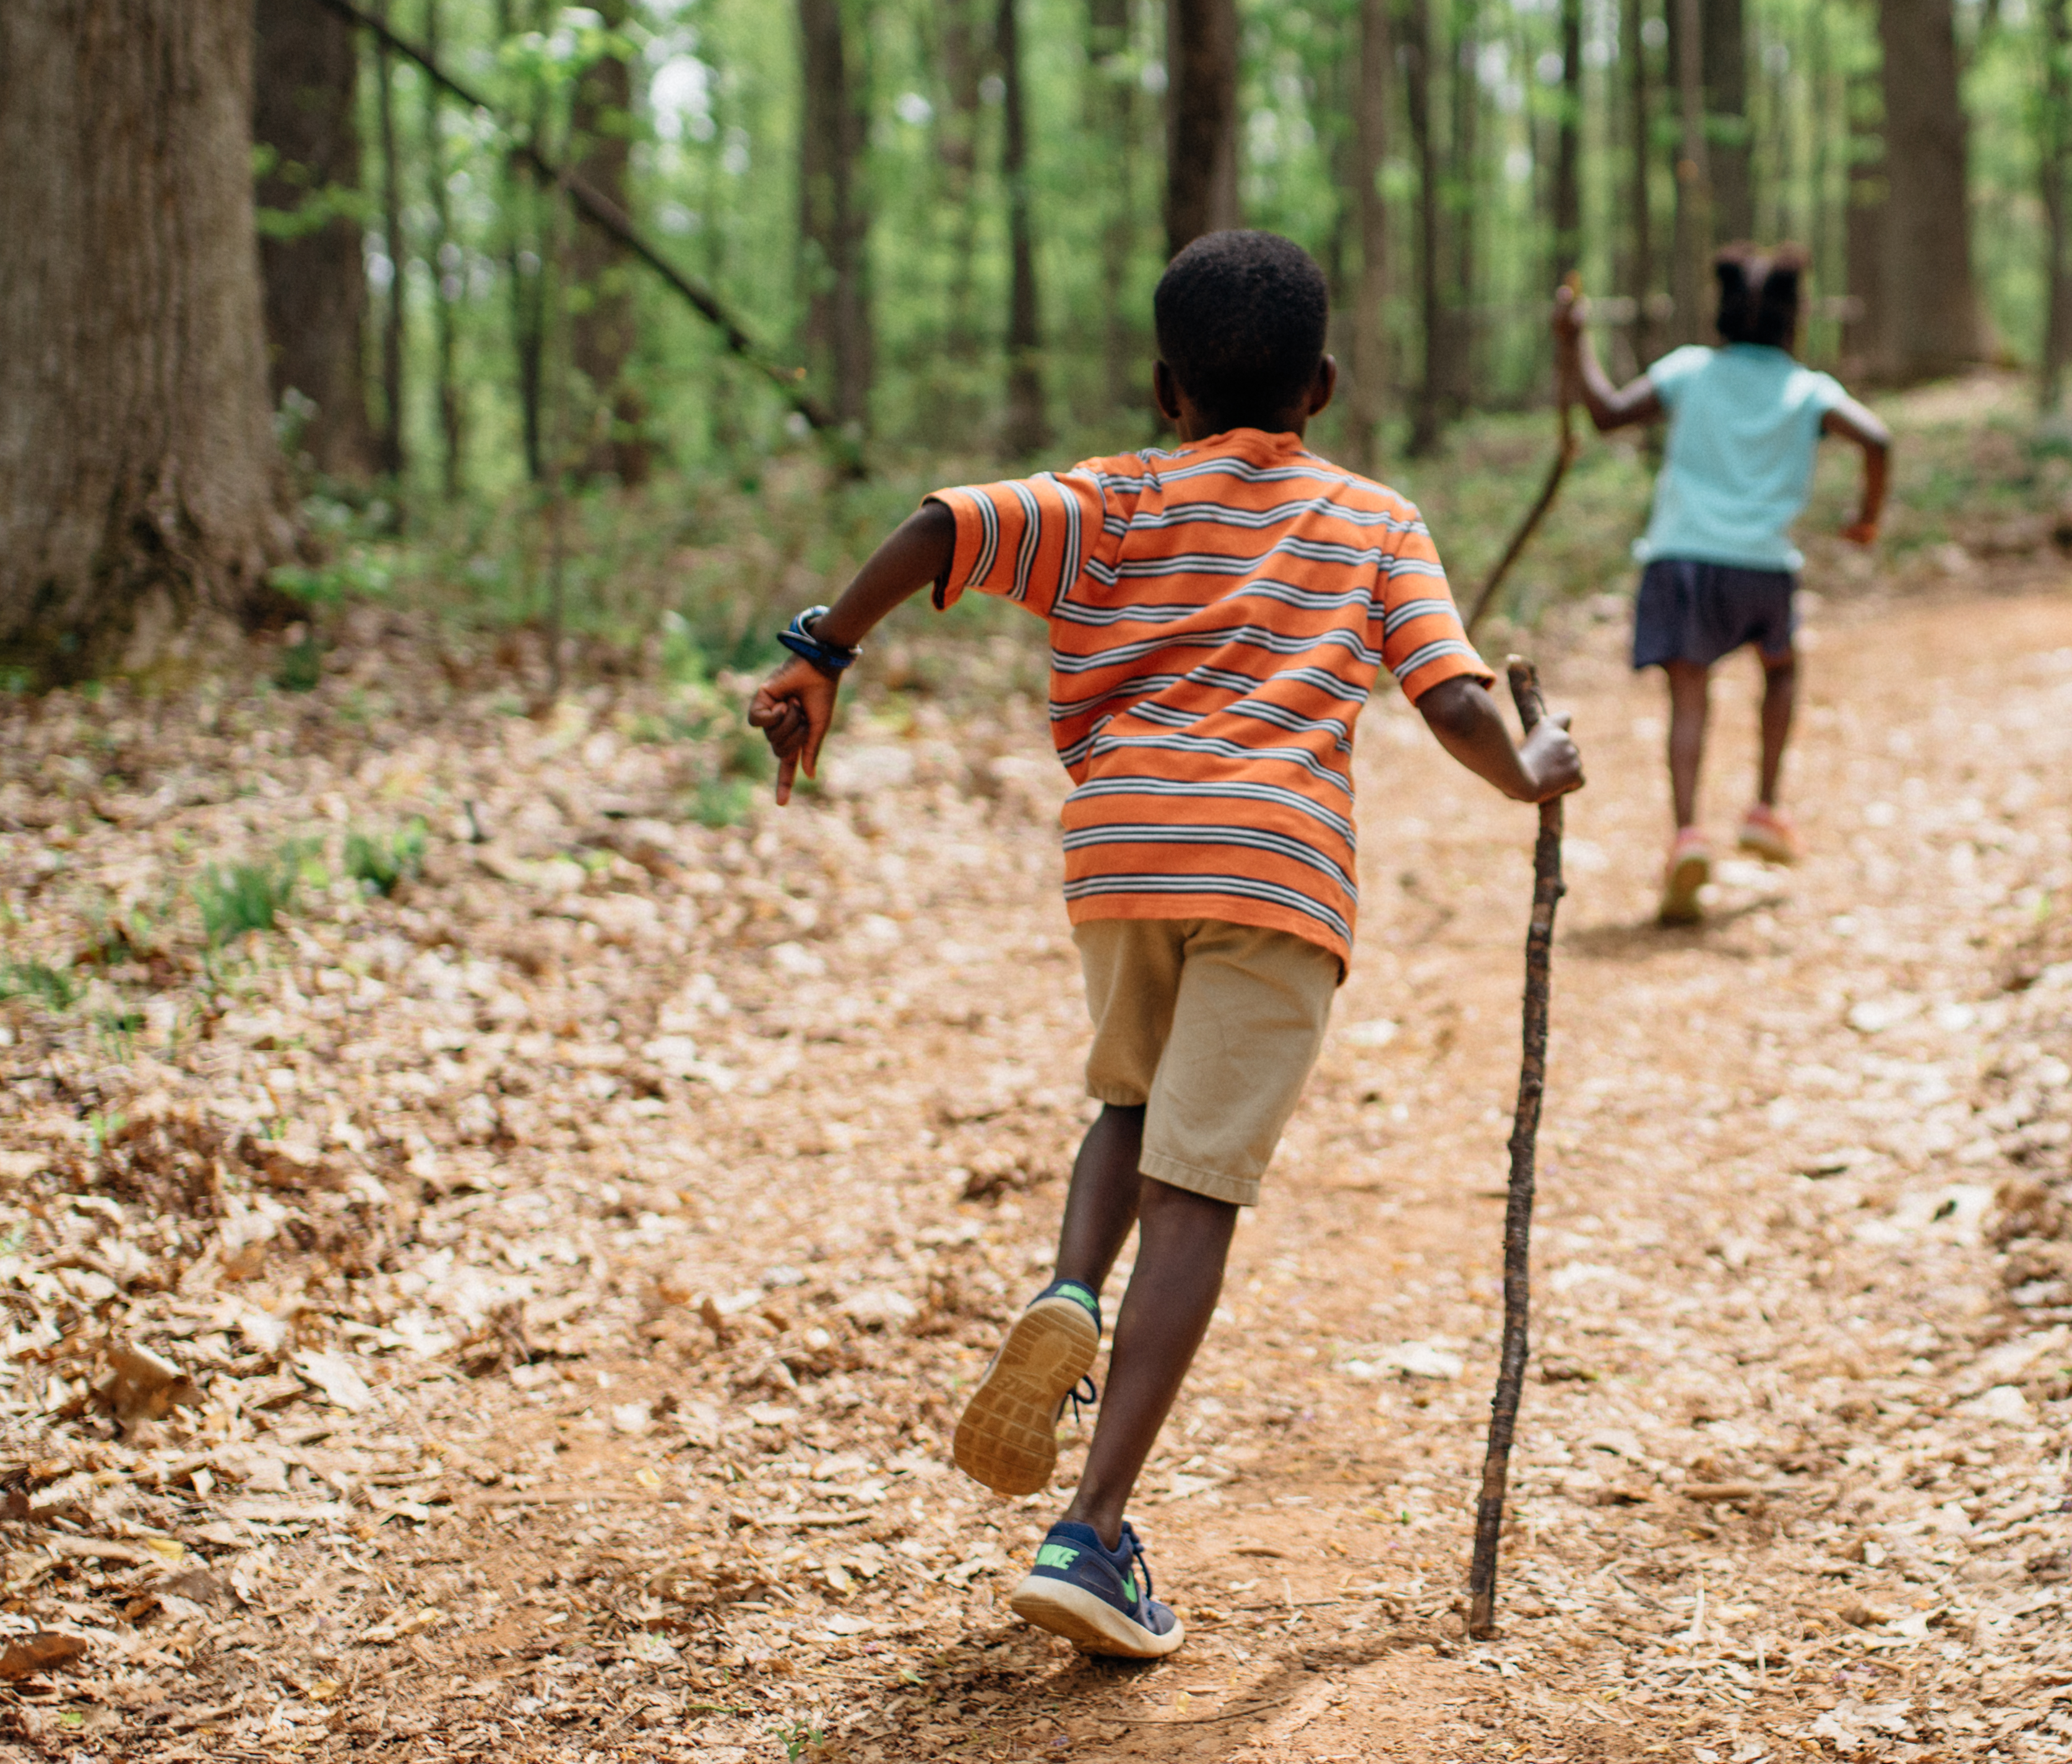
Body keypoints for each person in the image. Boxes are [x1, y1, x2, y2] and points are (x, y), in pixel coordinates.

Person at [746, 230, 1582, 1661]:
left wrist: (823, 650)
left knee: (1131, 1101)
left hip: (1122, 850)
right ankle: (1093, 1526)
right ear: (1321, 383)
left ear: (1163, 383)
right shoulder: (1373, 518)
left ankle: (1071, 1286)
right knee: (1197, 1184)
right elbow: (1449, 701)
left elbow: (945, 522)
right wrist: (1531, 766)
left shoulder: (1106, 499)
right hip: (1274, 868)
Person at [1553, 243, 1891, 927]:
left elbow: (1607, 412)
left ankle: (1685, 835)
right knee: (1782, 672)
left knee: (1689, 695)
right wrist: (1865, 518)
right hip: (1763, 567)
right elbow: (1877, 439)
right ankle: (1764, 806)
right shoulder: (1807, 388)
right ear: (1793, 321)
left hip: (1681, 560)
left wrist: (1574, 341)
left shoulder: (1689, 371)